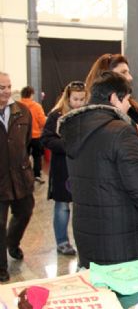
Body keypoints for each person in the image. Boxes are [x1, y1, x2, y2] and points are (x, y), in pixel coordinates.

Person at [59, 71, 138, 268]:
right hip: (124, 235)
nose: (129, 106)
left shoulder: (74, 129)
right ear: (114, 98)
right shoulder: (121, 131)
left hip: (87, 233)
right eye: (127, 99)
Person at [85, 54, 138, 164]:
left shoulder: (128, 104)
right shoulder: (93, 113)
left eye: (128, 72)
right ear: (107, 77)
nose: (130, 77)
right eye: (123, 72)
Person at [40, 81, 87, 256]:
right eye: (75, 99)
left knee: (82, 207)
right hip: (62, 169)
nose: (79, 103)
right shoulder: (56, 115)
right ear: (68, 98)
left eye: (82, 99)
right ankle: (62, 241)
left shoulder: (87, 114)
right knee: (62, 206)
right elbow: (46, 139)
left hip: (82, 168)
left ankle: (83, 240)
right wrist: (66, 145)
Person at [0, 72, 34, 282]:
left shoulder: (22, 111)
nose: (6, 91)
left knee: (25, 212)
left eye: (8, 86)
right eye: (1, 87)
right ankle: (1, 267)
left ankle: (12, 243)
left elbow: (27, 141)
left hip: (21, 177)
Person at [19, 86, 46, 184]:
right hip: (35, 136)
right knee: (37, 156)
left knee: (23, 157)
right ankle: (37, 175)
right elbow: (43, 122)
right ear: (31, 94)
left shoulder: (17, 106)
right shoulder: (37, 106)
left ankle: (24, 175)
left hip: (21, 137)